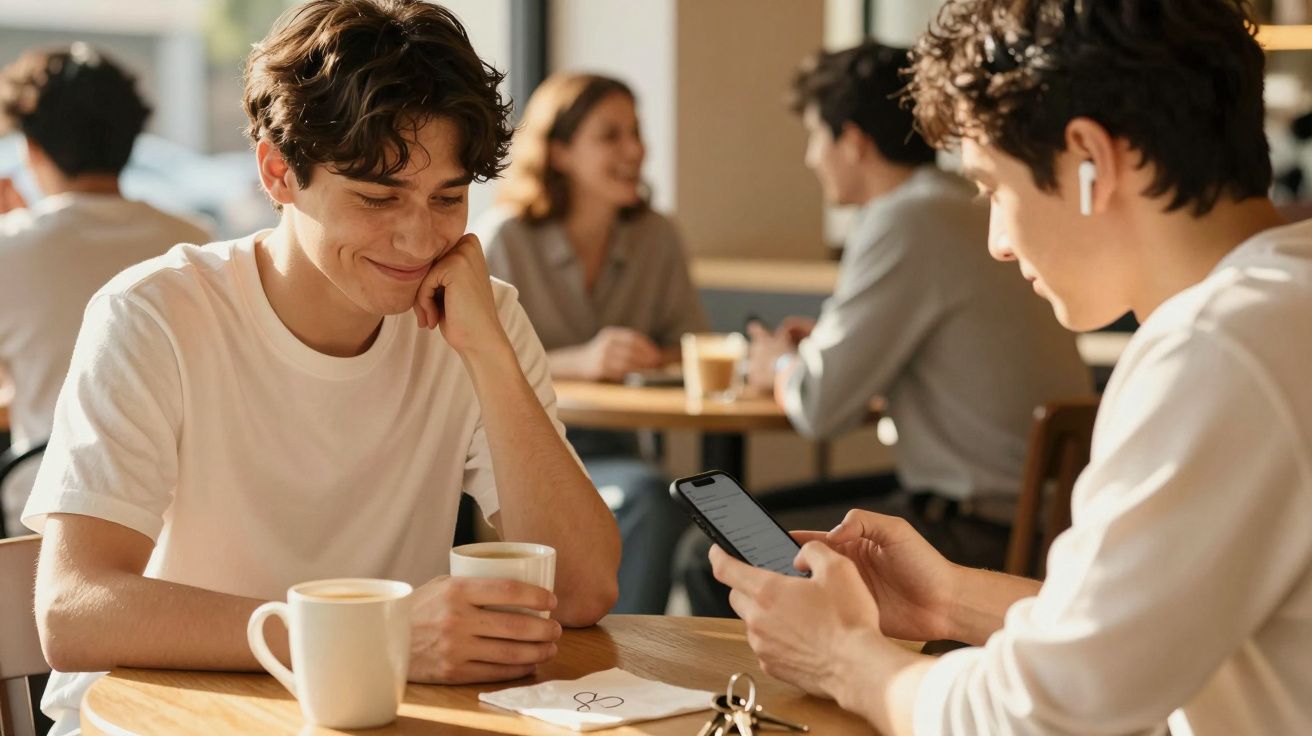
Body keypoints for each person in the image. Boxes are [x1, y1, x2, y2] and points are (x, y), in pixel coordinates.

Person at [711, 1, 1312, 734]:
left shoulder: (1219, 350)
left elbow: (1044, 717)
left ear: (1091, 159)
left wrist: (844, 658)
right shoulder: (1282, 302)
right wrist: (947, 599)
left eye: (993, 185)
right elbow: (1124, 648)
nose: (996, 239)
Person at [21, 2, 620, 733]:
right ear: (278, 172)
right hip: (162, 721)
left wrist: (489, 356)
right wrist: (379, 634)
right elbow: (74, 608)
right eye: (378, 196)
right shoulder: (154, 314)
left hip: (367, 718)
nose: (418, 239)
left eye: (448, 198)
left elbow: (585, 589)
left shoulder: (480, 315)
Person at [676, 41, 1090, 617]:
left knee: (709, 552)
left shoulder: (906, 219)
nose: (810, 157)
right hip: (1042, 518)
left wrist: (775, 364)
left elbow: (820, 407)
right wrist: (821, 349)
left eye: (817, 135)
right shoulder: (964, 208)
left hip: (980, 531)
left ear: (854, 141)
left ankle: (765, 703)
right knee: (753, 521)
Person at [478, 73, 705, 614]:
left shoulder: (657, 236)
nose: (635, 150)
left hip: (620, 450)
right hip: (524, 458)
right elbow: (468, 362)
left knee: (691, 504)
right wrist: (580, 361)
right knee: (653, 497)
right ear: (559, 151)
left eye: (635, 132)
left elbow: (693, 344)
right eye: (610, 135)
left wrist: (653, 357)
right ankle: (621, 657)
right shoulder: (505, 238)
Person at [0, 45, 209, 536]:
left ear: (31, 149)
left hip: (45, 520)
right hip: (179, 523)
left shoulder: (10, 248)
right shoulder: (196, 240)